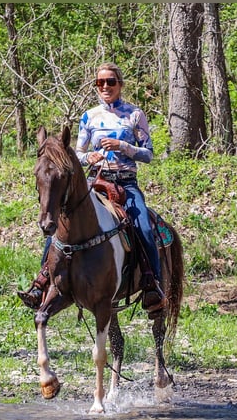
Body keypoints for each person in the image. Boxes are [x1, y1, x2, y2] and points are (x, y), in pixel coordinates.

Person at [18, 62, 166, 314]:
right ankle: (43, 280)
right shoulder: (89, 116)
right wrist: (90, 158)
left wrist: (123, 147)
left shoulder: (135, 114)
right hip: (94, 182)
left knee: (141, 222)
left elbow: (148, 154)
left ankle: (152, 283)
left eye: (110, 82)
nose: (105, 86)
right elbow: (76, 153)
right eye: (100, 82)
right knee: (59, 224)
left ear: (120, 84)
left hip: (125, 182)